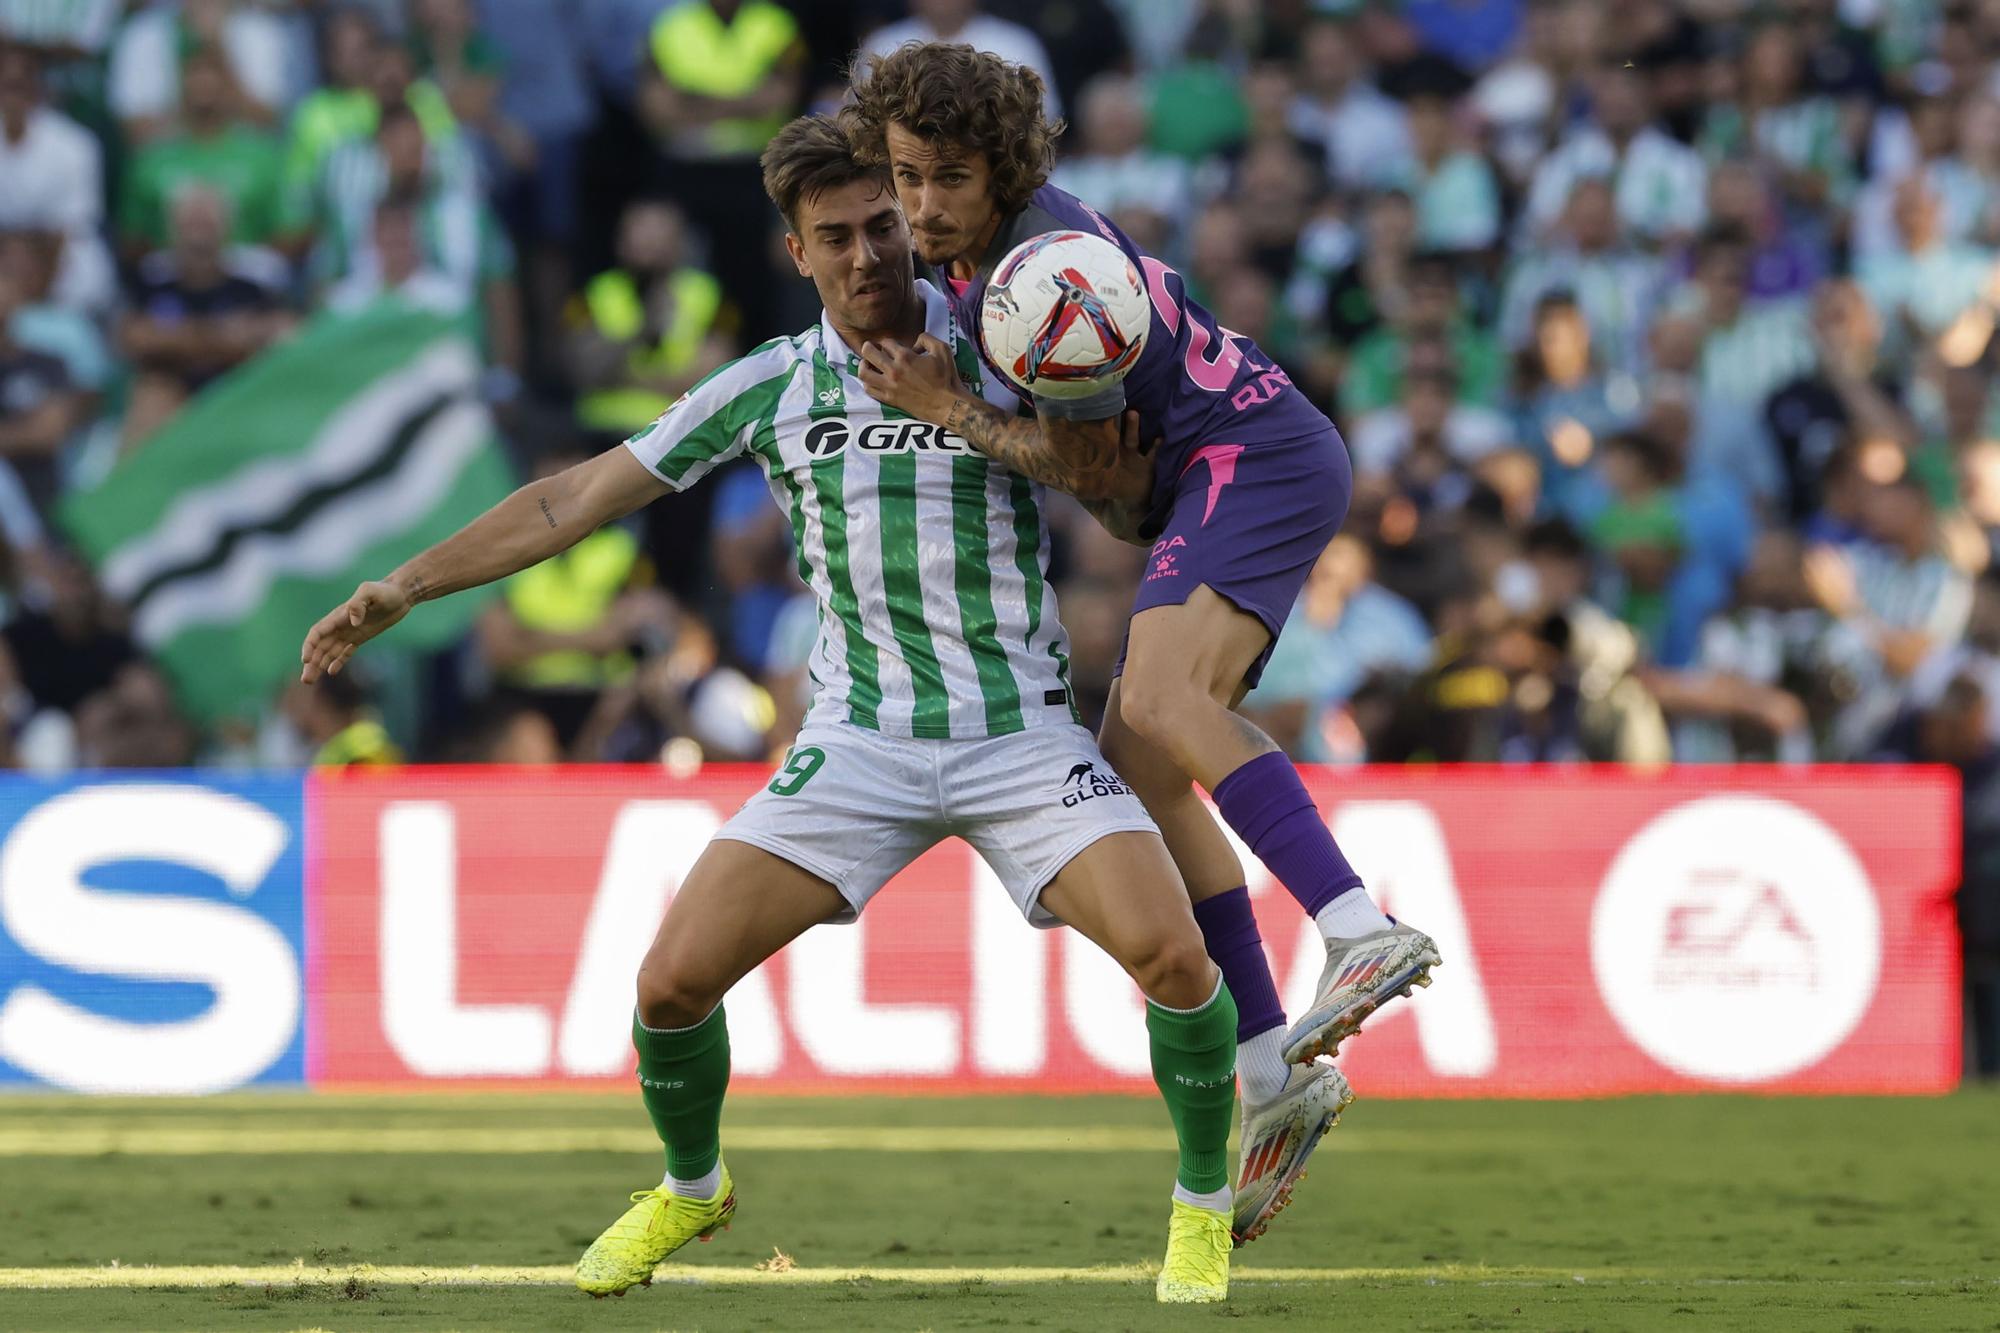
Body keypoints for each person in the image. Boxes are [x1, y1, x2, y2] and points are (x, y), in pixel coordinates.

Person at [299, 115, 1255, 1306]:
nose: (865, 255)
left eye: (880, 225)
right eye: (834, 237)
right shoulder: (767, 386)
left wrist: (1021, 426)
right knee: (666, 988)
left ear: (910, 223)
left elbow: (1120, 499)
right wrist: (403, 584)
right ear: (795, 254)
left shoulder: (1007, 339)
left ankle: (1202, 1211)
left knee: (1174, 955)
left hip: (1022, 734)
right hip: (854, 745)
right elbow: (569, 502)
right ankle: (692, 1187)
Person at [841, 41, 1437, 1244]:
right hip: (1215, 471)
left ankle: (1361, 928)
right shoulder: (993, 258)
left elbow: (1079, 471)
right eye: (904, 175)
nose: (918, 206)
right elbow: (1109, 491)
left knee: (1164, 706)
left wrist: (949, 410)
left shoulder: (1037, 270)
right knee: (1140, 755)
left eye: (946, 177)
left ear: (1000, 170)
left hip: (1253, 457)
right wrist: (1095, 482)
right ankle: (1271, 1070)